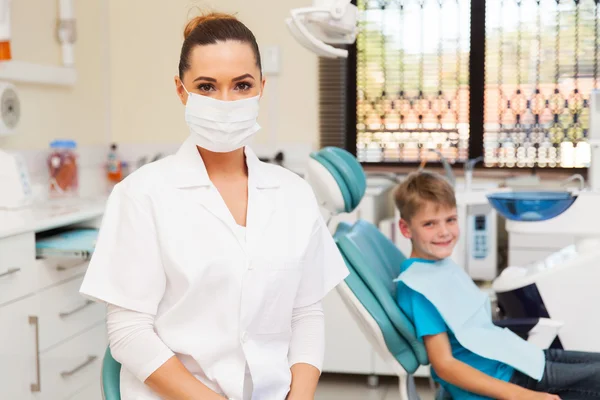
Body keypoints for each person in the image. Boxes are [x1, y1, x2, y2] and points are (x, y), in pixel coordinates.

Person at [79, 12, 349, 400]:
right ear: (180, 90)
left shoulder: (293, 194)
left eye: (242, 85)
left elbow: (305, 313)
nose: (225, 102)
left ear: (261, 88)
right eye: (206, 87)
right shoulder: (142, 194)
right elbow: (128, 332)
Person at [392, 171, 600, 400]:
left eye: (450, 220)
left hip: (515, 360)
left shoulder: (439, 266)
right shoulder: (419, 289)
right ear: (405, 229)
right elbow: (444, 365)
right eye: (429, 224)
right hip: (508, 379)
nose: (444, 232)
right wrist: (521, 396)